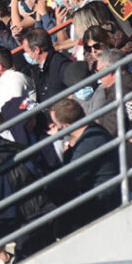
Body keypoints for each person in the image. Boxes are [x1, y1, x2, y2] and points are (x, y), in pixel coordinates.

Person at [45, 99, 118, 236]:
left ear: (66, 126)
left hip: (103, 201)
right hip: (94, 195)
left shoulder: (90, 140)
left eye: (55, 123)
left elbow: (71, 179)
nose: (53, 126)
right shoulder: (90, 132)